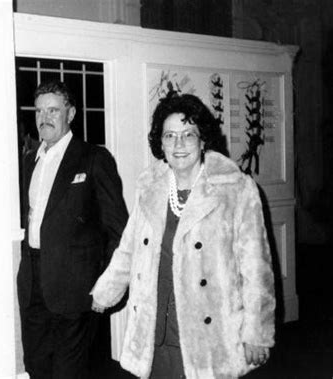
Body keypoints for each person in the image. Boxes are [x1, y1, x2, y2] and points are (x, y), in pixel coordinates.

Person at [91, 92, 275, 378]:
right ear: (160, 142)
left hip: (208, 334)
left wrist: (257, 332)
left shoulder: (235, 189)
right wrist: (105, 292)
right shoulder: (150, 188)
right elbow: (128, 249)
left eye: (188, 134)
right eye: (169, 136)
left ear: (203, 141)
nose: (178, 144)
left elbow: (256, 269)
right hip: (155, 327)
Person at [17, 80, 128, 379]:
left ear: (72, 113)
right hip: (33, 283)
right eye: (39, 110)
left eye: (53, 109)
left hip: (75, 287)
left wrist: (107, 283)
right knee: (37, 366)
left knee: (69, 372)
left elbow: (119, 230)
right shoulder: (30, 160)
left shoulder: (93, 158)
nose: (44, 117)